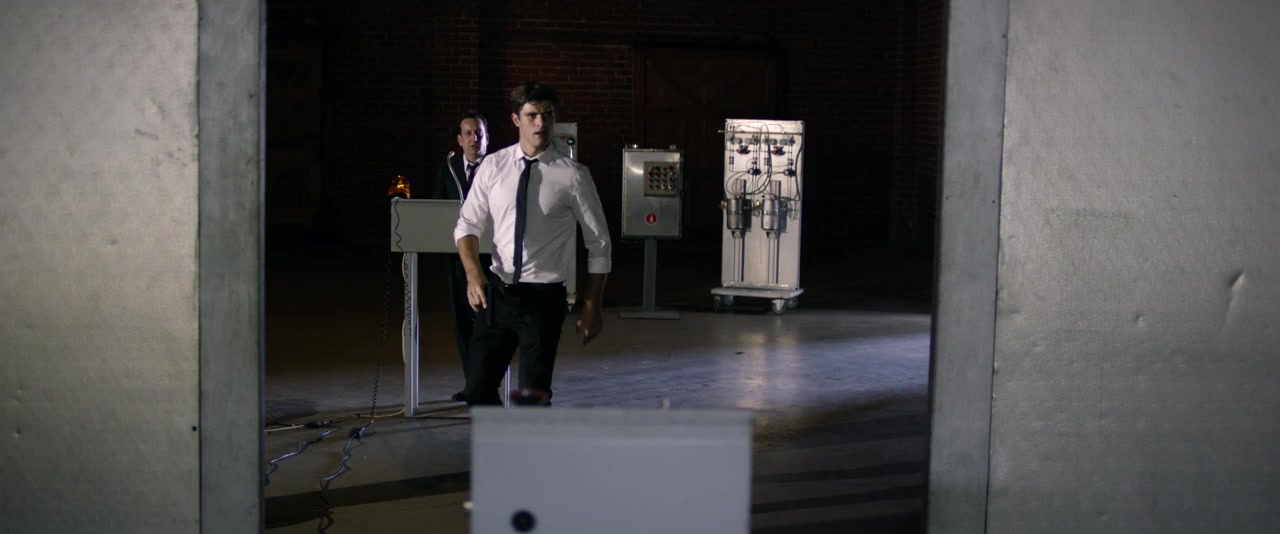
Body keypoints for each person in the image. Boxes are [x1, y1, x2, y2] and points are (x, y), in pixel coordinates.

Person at [453, 81, 611, 406]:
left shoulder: (573, 175)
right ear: (516, 119)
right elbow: (466, 226)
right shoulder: (493, 166)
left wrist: (592, 304)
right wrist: (473, 275)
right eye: (532, 115)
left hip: (543, 299)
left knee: (532, 399)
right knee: (477, 390)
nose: (541, 123)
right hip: (498, 294)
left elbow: (599, 244)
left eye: (547, 115)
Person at [432, 111, 490, 403]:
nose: (473, 139)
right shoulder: (448, 170)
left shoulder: (496, 168)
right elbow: (437, 210)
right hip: (457, 261)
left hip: (491, 259)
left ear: (487, 138)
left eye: (479, 133)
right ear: (459, 139)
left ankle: (488, 383)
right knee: (462, 323)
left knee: (489, 322)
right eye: (468, 133)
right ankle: (473, 385)